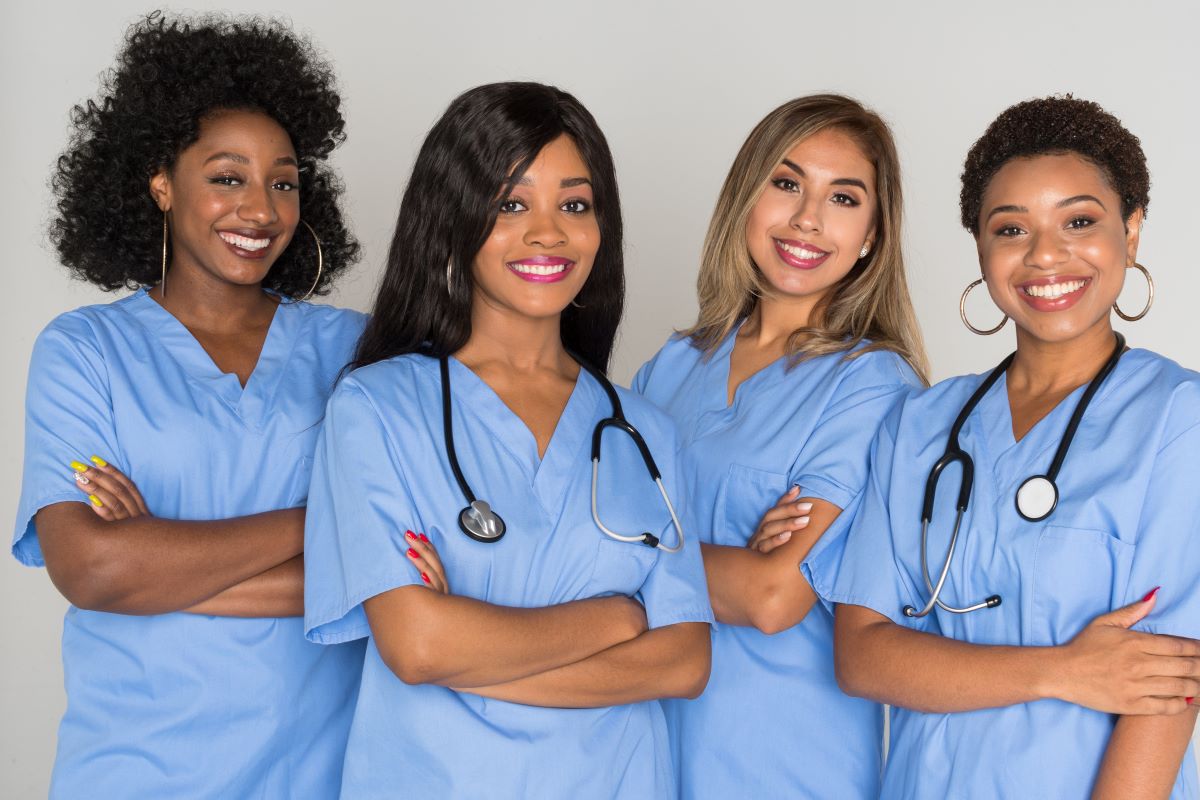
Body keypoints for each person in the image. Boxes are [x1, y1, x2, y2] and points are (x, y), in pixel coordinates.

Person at [303, 81, 714, 799]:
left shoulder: (645, 432)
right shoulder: (377, 407)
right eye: (511, 204)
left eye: (575, 204)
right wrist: (616, 617)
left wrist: (475, 648)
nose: (547, 232)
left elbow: (682, 661)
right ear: (454, 218)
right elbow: (416, 644)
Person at [13, 12, 365, 798]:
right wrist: (321, 526)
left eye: (283, 181)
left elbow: (394, 576)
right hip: (136, 770)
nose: (262, 209)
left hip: (325, 772)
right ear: (162, 181)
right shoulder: (84, 351)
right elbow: (95, 568)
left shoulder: (356, 351)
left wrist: (161, 561)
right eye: (227, 176)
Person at [826, 95, 1200, 798]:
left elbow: (1167, 690)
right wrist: (1063, 669)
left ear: (1134, 229)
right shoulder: (922, 424)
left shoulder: (1179, 419)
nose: (1046, 255)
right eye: (1010, 229)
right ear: (981, 247)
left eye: (1080, 221)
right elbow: (862, 657)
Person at [633, 94, 926, 798]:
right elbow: (584, 538)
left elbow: (772, 596)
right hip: (639, 742)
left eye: (844, 198)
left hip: (783, 762)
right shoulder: (670, 367)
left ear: (874, 237)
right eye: (787, 183)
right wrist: (723, 566)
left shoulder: (871, 385)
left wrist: (636, 556)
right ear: (745, 197)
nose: (807, 219)